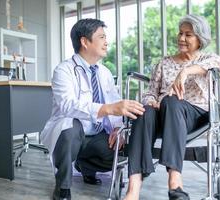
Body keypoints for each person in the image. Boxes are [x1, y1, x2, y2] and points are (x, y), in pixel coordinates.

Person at [124, 14, 220, 200]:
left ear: (200, 39)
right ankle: (133, 190)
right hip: (163, 114)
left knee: (171, 100)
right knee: (143, 111)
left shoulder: (207, 59)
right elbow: (151, 92)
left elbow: (219, 64)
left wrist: (185, 71)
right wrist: (151, 102)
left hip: (195, 116)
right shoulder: (164, 63)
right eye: (180, 33)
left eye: (188, 35)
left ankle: (175, 182)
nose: (181, 38)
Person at [40, 18, 145, 200]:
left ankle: (86, 166)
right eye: (102, 37)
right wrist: (108, 109)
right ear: (84, 41)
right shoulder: (64, 70)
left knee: (120, 148)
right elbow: (67, 105)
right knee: (70, 128)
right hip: (71, 135)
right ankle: (63, 188)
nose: (107, 42)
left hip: (95, 136)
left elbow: (114, 102)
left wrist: (118, 128)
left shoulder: (103, 72)